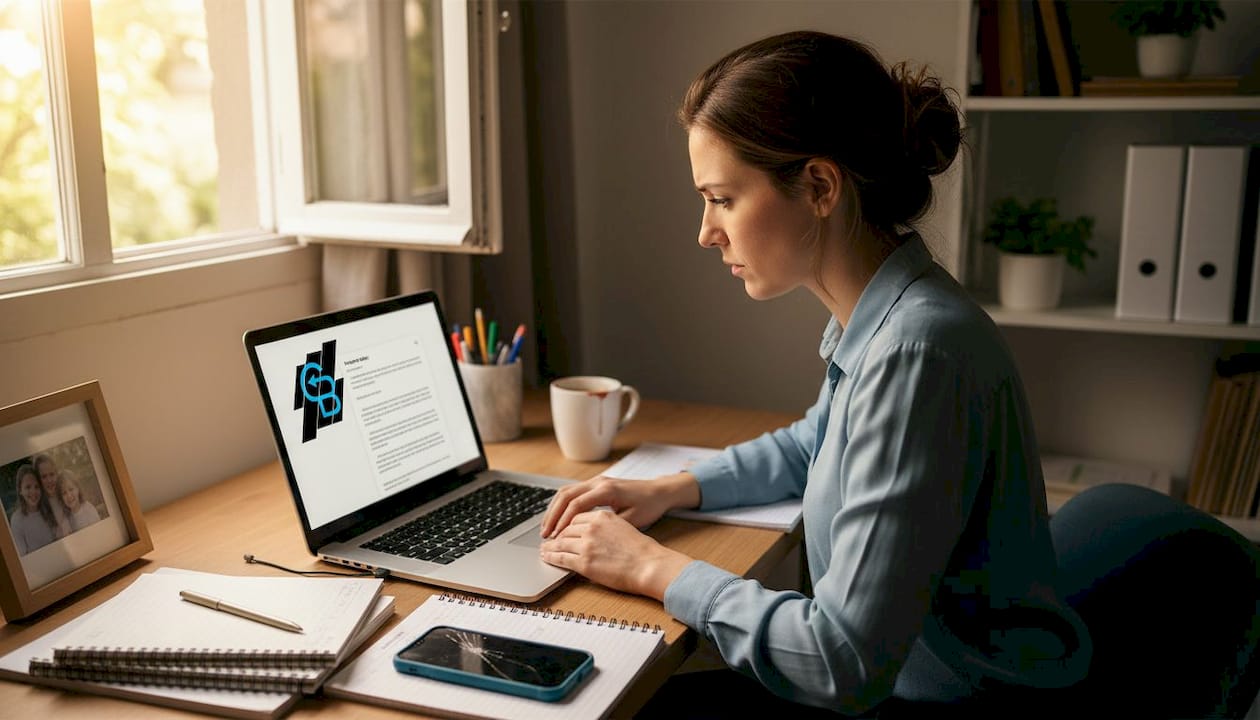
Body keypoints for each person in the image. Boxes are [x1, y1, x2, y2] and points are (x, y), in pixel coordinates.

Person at [539, 31, 1090, 716]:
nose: (705, 231)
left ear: (820, 186)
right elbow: (816, 444)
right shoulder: (890, 309)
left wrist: (653, 567)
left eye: (723, 198)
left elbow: (841, 662)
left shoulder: (915, 353)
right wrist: (667, 490)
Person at [8, 464, 58, 555]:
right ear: (20, 490)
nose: (33, 492)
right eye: (28, 487)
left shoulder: (49, 509)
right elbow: (22, 554)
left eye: (36, 487)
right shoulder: (16, 520)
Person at [33, 453, 72, 539]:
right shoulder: (39, 507)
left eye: (52, 474)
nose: (49, 480)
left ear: (57, 474)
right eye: (44, 476)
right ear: (38, 480)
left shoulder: (67, 496)